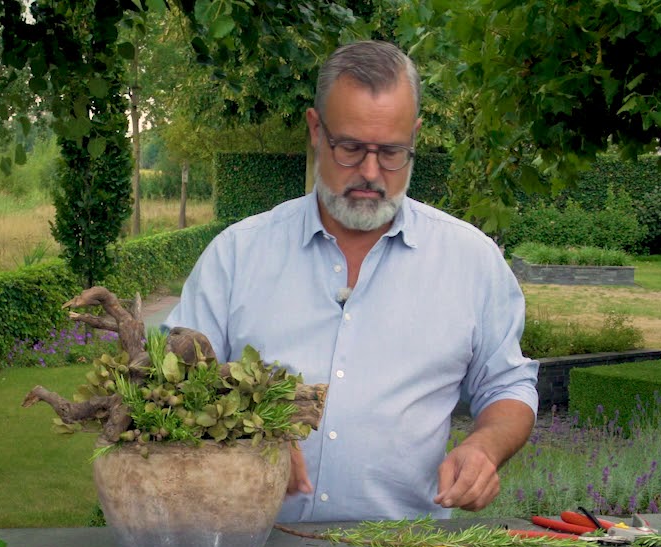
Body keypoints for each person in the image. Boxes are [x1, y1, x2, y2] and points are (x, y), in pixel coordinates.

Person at [164, 40, 538, 522]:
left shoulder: (472, 261)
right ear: (316, 131)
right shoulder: (238, 255)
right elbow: (170, 382)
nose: (369, 172)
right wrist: (245, 429)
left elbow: (508, 384)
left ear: (415, 136)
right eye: (351, 147)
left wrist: (485, 447)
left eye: (391, 152)